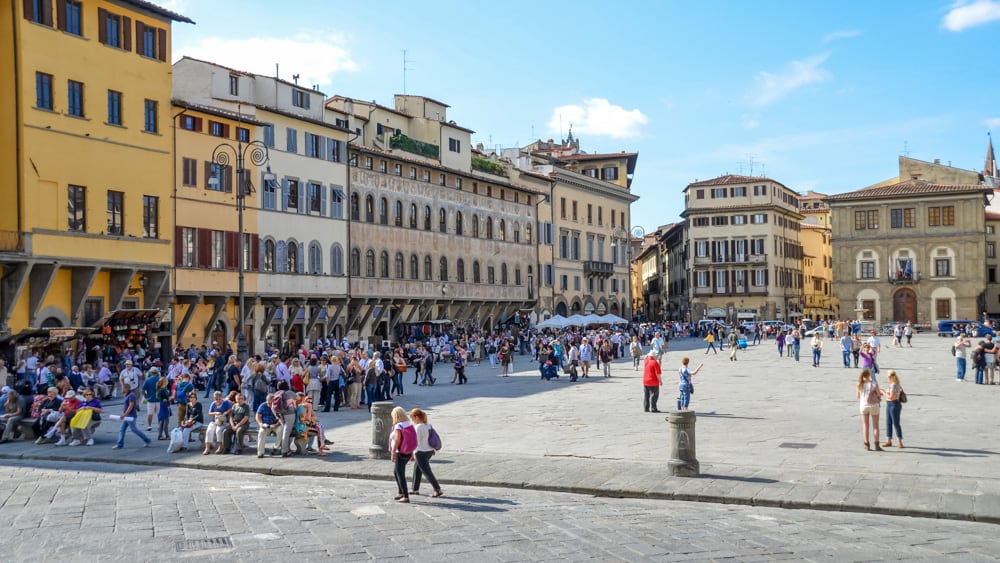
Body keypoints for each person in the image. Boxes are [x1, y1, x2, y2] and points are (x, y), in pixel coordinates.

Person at [408, 408, 443, 498]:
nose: (411, 419)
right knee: (417, 469)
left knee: (426, 471)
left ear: (416, 417)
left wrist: (411, 452)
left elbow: (416, 442)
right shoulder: (428, 425)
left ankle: (437, 489)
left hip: (421, 451)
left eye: (412, 417)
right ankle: (415, 488)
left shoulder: (418, 427)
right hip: (429, 450)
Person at [388, 406, 415, 503]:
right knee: (396, 471)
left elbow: (397, 440)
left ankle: (405, 495)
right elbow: (410, 440)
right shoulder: (409, 424)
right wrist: (411, 453)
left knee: (400, 474)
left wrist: (393, 452)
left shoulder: (398, 426)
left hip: (400, 452)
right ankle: (400, 492)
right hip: (407, 452)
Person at [112, 382, 151, 449]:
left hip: (130, 416)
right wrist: (124, 414)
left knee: (134, 429)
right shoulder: (128, 395)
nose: (121, 389)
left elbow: (131, 405)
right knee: (122, 429)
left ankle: (147, 439)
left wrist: (125, 414)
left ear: (126, 388)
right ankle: (120, 444)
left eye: (122, 388)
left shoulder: (131, 395)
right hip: (127, 416)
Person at [857, 369, 883, 451]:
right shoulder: (874, 384)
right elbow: (879, 394)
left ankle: (867, 444)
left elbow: (858, 396)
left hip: (863, 406)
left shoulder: (859, 384)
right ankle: (877, 445)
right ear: (869, 376)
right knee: (876, 425)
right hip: (874, 405)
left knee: (865, 425)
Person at [202, 391, 231, 455]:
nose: (218, 400)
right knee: (209, 431)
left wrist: (226, 412)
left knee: (219, 431)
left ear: (221, 397)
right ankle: (207, 448)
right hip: (215, 420)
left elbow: (231, 409)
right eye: (216, 399)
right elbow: (209, 413)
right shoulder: (213, 403)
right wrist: (215, 413)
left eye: (219, 399)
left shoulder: (225, 402)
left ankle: (220, 447)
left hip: (223, 421)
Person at [881, 370, 905, 449]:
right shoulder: (894, 384)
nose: (887, 378)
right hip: (890, 404)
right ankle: (889, 440)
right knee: (889, 422)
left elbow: (892, 397)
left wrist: (883, 393)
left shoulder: (894, 385)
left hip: (894, 404)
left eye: (888, 377)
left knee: (895, 423)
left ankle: (900, 441)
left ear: (890, 377)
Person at [256, 392, 280, 458]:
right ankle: (260, 452)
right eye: (268, 403)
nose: (269, 405)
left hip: (275, 424)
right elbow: (258, 416)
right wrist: (260, 424)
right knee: (261, 432)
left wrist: (276, 425)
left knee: (281, 430)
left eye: (271, 403)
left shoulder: (278, 406)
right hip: (265, 424)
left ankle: (276, 448)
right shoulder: (263, 405)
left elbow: (281, 418)